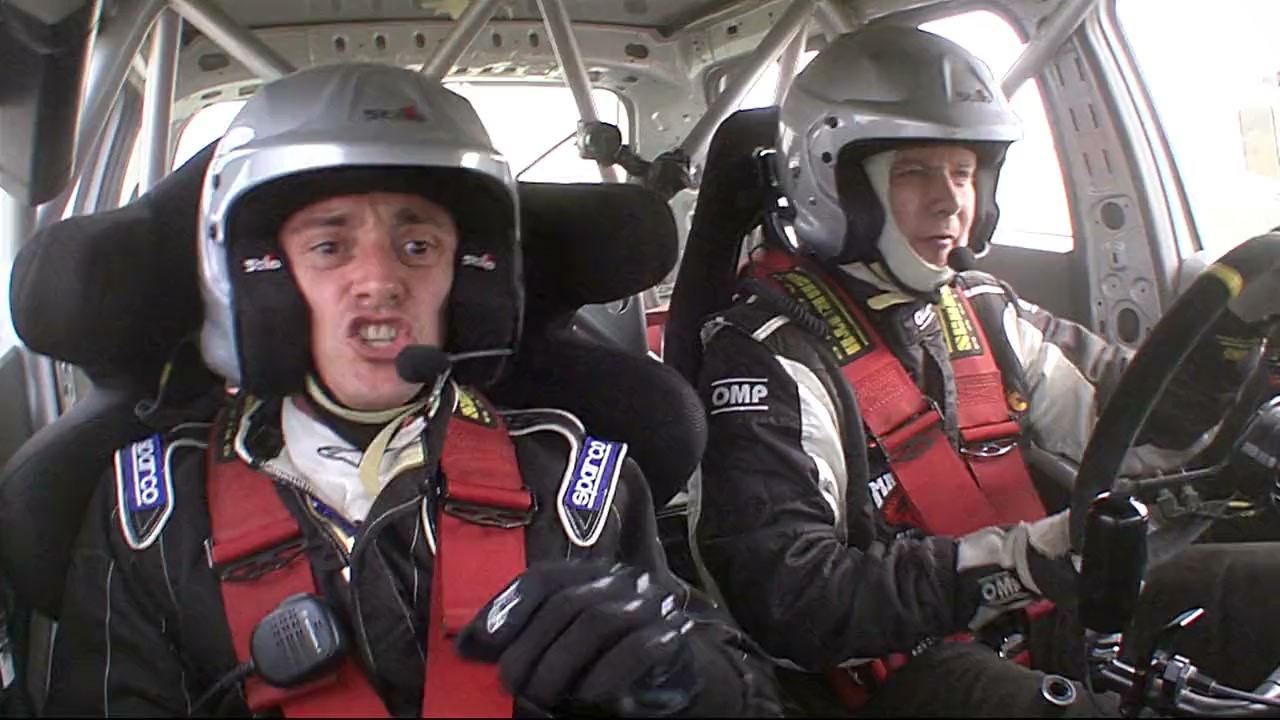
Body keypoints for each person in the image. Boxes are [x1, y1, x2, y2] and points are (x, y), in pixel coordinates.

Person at [44, 63, 780, 717]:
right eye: (329, 245)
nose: (379, 280)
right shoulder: (155, 512)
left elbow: (744, 691)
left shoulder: (576, 484)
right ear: (261, 277)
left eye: (418, 245)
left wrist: (693, 680)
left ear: (470, 276)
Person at [689, 25, 1280, 717]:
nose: (950, 201)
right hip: (897, 672)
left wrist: (1232, 332)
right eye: (914, 172)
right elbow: (790, 600)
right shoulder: (768, 354)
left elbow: (1137, 428)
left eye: (964, 172)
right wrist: (1014, 563)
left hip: (1043, 613)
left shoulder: (983, 308)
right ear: (833, 183)